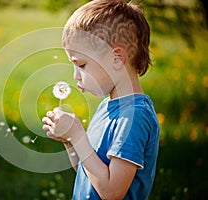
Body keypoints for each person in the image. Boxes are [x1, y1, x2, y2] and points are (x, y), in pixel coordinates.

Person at [42, 0, 160, 199]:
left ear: (116, 59)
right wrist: (71, 142)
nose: (76, 76)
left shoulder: (134, 117)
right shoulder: (107, 107)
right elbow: (89, 173)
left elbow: (111, 192)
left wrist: (78, 135)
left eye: (81, 65)